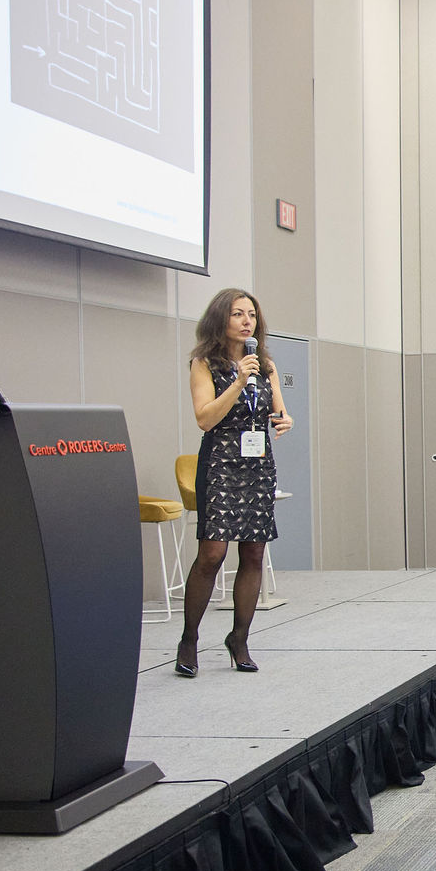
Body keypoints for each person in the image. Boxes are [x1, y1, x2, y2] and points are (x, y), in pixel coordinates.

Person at [177, 288, 292, 678]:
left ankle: (239, 639)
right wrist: (239, 379)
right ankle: (189, 640)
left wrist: (284, 420)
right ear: (221, 320)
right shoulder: (204, 363)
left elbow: (278, 410)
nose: (247, 321)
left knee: (254, 554)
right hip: (221, 465)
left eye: (252, 314)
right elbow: (205, 418)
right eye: (238, 314)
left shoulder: (266, 365)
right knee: (212, 554)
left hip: (257, 466)